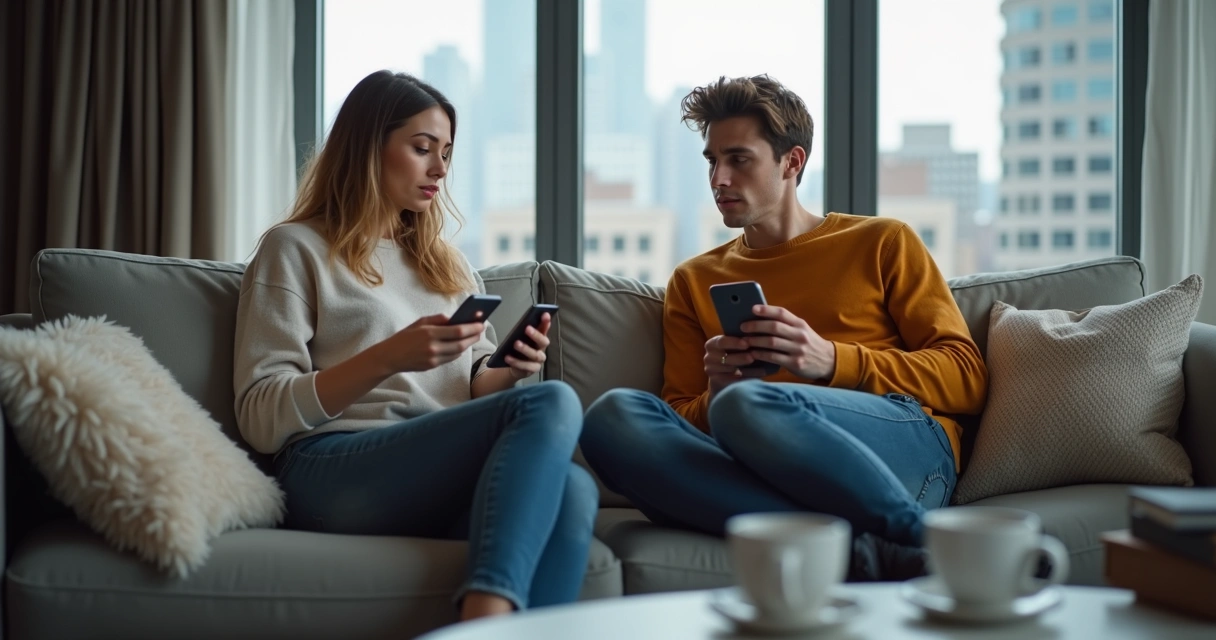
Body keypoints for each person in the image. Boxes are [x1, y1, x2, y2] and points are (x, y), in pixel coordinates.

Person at [580, 75, 988, 579]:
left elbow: (967, 377)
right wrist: (719, 390)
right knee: (613, 417)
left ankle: (909, 531)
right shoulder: (695, 280)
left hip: (899, 449)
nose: (719, 179)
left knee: (747, 406)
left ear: (792, 162)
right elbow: (682, 417)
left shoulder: (882, 242)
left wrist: (833, 361)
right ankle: (871, 551)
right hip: (759, 451)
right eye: (712, 161)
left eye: (739, 159)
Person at [233, 70, 597, 620]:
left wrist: (508, 371)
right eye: (422, 148)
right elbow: (260, 417)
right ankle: (485, 622)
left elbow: (475, 388)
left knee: (571, 489)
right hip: (332, 466)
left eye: (447, 152)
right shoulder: (296, 249)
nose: (440, 168)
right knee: (555, 402)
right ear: (366, 147)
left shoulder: (450, 266)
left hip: (429, 472)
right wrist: (388, 357)